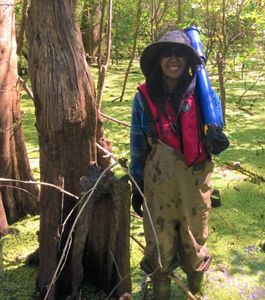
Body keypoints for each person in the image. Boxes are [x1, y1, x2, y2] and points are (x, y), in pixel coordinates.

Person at [130, 29, 229, 299]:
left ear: (188, 60)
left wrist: (218, 139)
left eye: (180, 54)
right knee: (158, 243)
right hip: (156, 185)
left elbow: (216, 132)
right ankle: (161, 290)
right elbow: (137, 144)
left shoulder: (206, 96)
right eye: (167, 54)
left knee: (194, 239)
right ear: (158, 60)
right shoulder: (142, 98)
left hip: (195, 182)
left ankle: (195, 289)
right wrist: (135, 183)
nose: (173, 59)